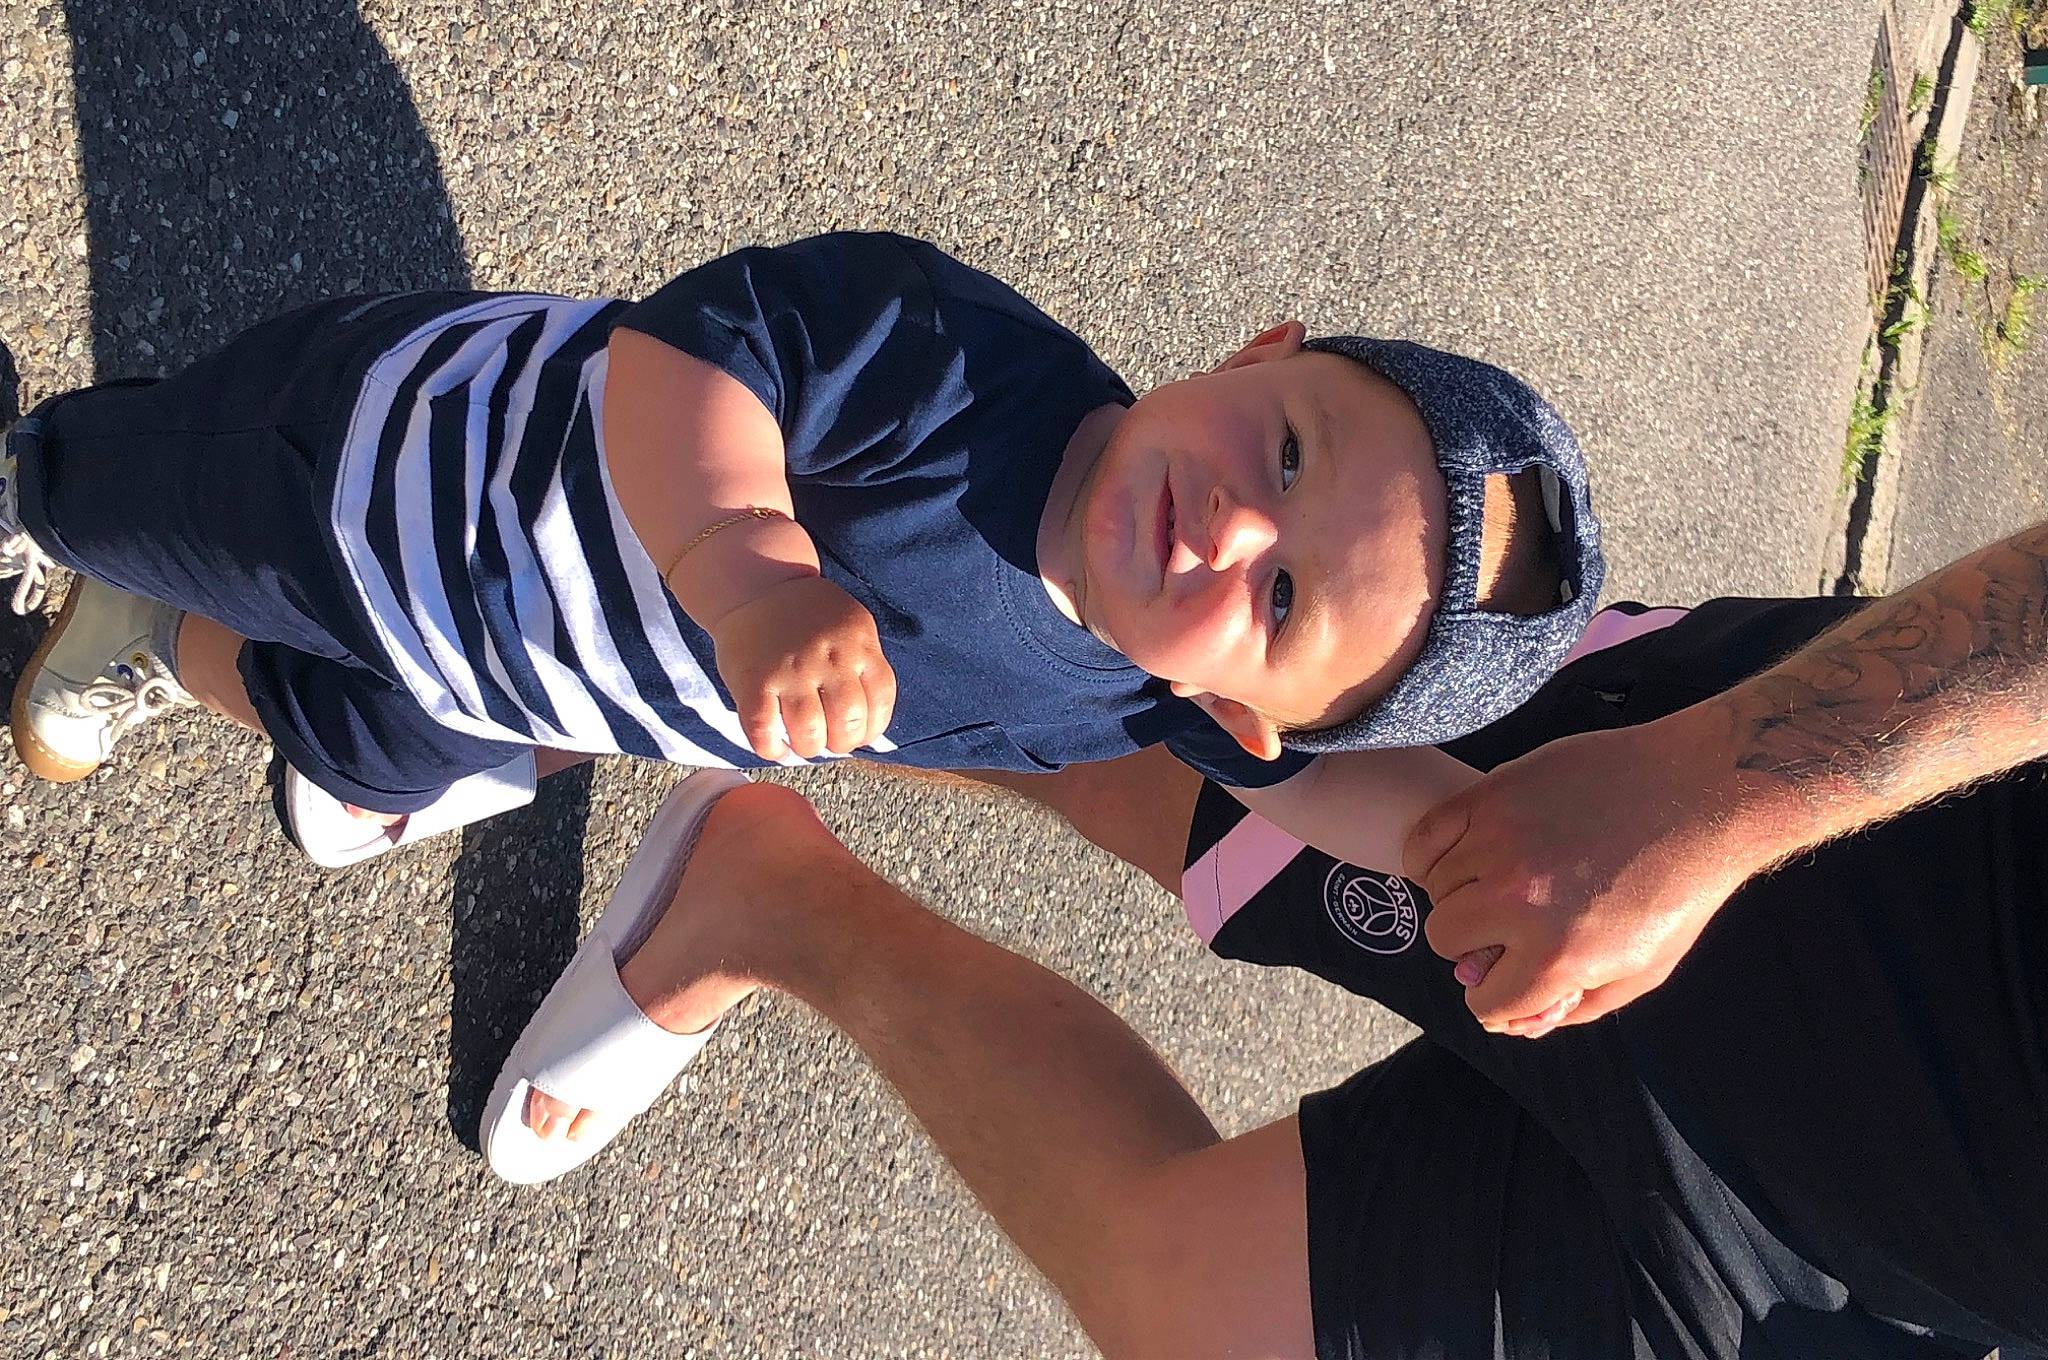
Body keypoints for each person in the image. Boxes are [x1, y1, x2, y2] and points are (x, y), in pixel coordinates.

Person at [496, 517, 2048, 1358]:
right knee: (1193, 752)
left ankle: (764, 896)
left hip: (1912, 1284)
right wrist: (1727, 784)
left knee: (1183, 1301)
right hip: (1896, 909)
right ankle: (603, 591)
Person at [0, 231, 1600, 868]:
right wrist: (753, 569)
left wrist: (1541, 865)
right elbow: (679, 356)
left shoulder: (1137, 705)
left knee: (355, 748)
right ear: (1261, 351)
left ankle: (147, 630)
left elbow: (1353, 801)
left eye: (1282, 596)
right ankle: (51, 499)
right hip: (381, 473)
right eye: (1292, 449)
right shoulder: (959, 361)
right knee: (139, 483)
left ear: (1245, 719)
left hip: (519, 672)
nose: (1238, 525)